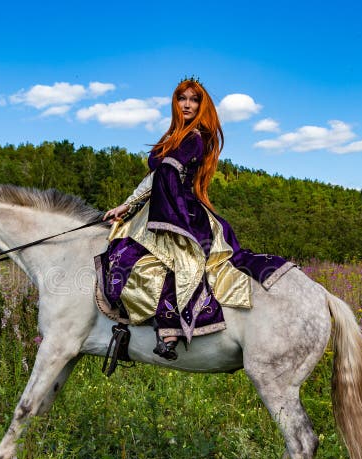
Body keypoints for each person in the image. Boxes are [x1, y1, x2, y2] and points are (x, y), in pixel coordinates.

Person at [95, 78, 294, 360]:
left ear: (202, 105)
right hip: (160, 206)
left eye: (193, 99)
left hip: (181, 210)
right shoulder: (173, 137)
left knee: (181, 260)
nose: (187, 104)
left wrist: (151, 208)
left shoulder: (196, 138)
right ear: (175, 103)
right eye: (182, 98)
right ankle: (126, 327)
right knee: (129, 257)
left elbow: (168, 173)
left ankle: (171, 327)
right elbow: (156, 177)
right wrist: (126, 206)